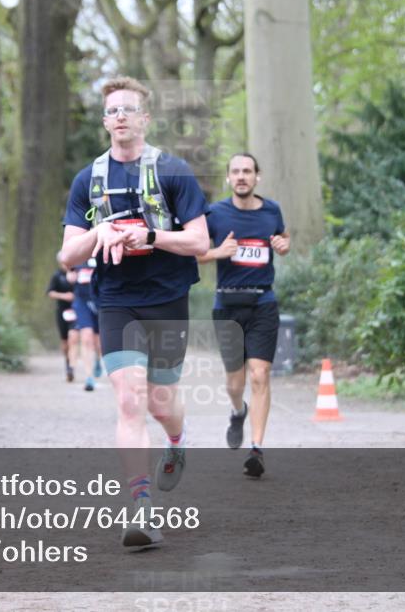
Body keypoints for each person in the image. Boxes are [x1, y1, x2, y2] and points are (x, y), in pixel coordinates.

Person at [59, 76, 209, 550]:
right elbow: (67, 256)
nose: (120, 116)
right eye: (112, 111)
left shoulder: (174, 171)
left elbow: (201, 243)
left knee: (161, 403)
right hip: (116, 300)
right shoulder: (89, 180)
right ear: (104, 122)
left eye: (129, 109)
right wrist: (98, 231)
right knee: (129, 398)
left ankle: (178, 441)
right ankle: (140, 510)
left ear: (145, 118)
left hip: (166, 298)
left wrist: (152, 237)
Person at [197, 153, 290, 478]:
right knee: (235, 383)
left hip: (263, 304)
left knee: (260, 375)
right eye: (235, 171)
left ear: (257, 177)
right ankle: (238, 410)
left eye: (247, 171)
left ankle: (257, 449)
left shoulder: (271, 210)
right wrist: (217, 253)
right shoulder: (215, 214)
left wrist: (283, 245)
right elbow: (193, 253)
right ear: (228, 178)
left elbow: (283, 237)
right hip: (227, 307)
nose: (241, 176)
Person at [71, 258, 103, 392]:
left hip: (101, 301)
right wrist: (71, 272)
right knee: (86, 337)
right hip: (82, 303)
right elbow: (70, 276)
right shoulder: (79, 258)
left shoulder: (103, 254)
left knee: (99, 343)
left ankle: (97, 359)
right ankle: (89, 377)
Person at [47, 257, 78, 382]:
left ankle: (72, 366)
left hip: (77, 311)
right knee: (65, 341)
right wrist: (64, 296)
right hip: (62, 312)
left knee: (73, 338)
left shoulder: (78, 273)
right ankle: (68, 364)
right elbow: (50, 292)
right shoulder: (57, 276)